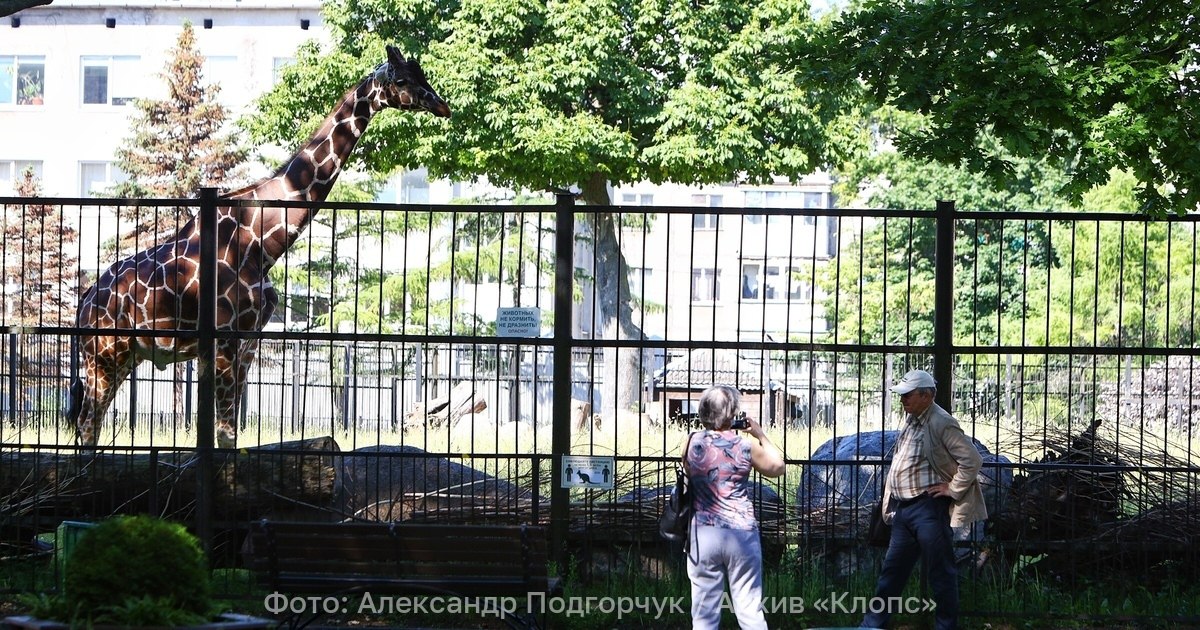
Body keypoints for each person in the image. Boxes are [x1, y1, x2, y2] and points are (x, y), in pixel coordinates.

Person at [861, 369, 986, 630]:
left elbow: (972, 459)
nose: (903, 400)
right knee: (892, 573)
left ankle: (946, 627)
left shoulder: (942, 421)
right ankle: (872, 625)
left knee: (941, 572)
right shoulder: (913, 417)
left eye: (908, 395)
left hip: (928, 509)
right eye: (902, 395)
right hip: (904, 509)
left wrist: (953, 489)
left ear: (926, 396)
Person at [682, 385, 786, 630]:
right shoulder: (745, 447)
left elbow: (688, 472)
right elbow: (778, 468)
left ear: (703, 411)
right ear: (732, 414)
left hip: (703, 533)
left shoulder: (691, 442)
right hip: (741, 533)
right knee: (749, 610)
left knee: (704, 613)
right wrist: (760, 434)